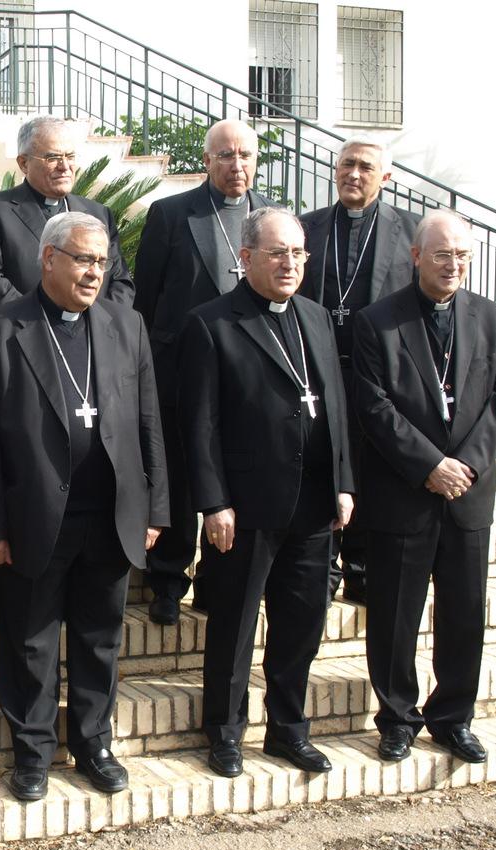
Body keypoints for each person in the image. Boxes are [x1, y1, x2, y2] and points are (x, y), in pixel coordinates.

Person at [0, 211, 168, 802]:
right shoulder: (0, 331)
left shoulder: (126, 325)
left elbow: (149, 423)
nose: (94, 272)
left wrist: (156, 509)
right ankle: (31, 751)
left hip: (110, 513)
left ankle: (93, 743)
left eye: (102, 261)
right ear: (48, 259)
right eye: (82, 259)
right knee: (30, 639)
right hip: (35, 517)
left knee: (100, 636)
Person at [177, 207, 353, 779]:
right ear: (246, 257)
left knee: (301, 623)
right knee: (234, 624)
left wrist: (344, 483)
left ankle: (287, 729)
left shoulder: (318, 318)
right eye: (278, 252)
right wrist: (213, 502)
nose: (290, 263)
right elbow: (198, 423)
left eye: (298, 253)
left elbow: (337, 410)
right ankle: (225, 732)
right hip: (244, 507)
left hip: (312, 505)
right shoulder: (212, 322)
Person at [353, 209, 496, 765]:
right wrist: (428, 464)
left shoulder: (492, 319)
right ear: (417, 256)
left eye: (462, 255)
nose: (453, 265)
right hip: (404, 492)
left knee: (465, 612)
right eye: (442, 254)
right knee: (395, 614)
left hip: (467, 494)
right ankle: (397, 717)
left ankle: (453, 717)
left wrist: (464, 465)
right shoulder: (378, 321)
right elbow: (372, 406)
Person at [133, 119, 279, 626]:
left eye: (245, 155)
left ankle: (221, 580)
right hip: (180, 371)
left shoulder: (273, 220)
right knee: (176, 476)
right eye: (225, 155)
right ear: (207, 160)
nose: (236, 165)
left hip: (249, 378)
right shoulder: (172, 214)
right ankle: (169, 578)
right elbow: (145, 301)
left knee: (236, 476)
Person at [300, 138, 420, 605]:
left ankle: (362, 568)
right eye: (346, 164)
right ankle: (321, 567)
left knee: (370, 469)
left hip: (376, 377)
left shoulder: (410, 233)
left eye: (365, 167)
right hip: (317, 371)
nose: (353, 173)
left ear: (385, 177)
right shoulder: (309, 228)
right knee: (322, 464)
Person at [0, 115, 135, 312]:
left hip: (94, 337)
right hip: (24, 333)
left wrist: (99, 325)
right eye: (53, 158)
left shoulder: (99, 214)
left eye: (70, 157)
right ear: (23, 163)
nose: (65, 167)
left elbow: (120, 281)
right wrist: (42, 325)